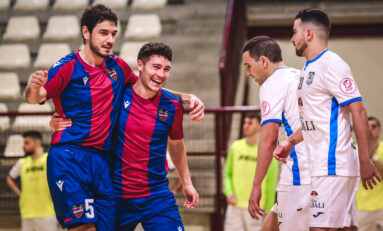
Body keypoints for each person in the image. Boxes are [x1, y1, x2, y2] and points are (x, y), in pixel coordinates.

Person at [24, 4, 204, 231]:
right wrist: (33, 89)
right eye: (103, 33)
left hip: (102, 163)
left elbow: (147, 84)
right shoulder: (67, 66)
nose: (110, 39)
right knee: (85, 228)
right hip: (71, 155)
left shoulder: (117, 67)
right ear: (86, 32)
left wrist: (184, 97)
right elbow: (35, 97)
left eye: (113, 34)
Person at [274, 8, 381, 230]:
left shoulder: (332, 64)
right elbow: (313, 123)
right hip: (324, 166)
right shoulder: (306, 70)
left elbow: (358, 110)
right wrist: (289, 142)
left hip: (333, 165)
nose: (291, 38)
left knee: (317, 228)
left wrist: (364, 159)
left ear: (309, 34)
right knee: (346, 228)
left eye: (295, 32)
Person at [108, 42, 198, 230]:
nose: (161, 74)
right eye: (156, 67)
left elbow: (176, 144)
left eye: (166, 69)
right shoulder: (118, 94)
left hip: (157, 195)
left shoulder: (172, 105)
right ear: (140, 66)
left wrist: (187, 182)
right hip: (117, 195)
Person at [243, 36, 311, 231]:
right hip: (326, 169)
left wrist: (256, 186)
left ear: (263, 61)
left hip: (301, 174)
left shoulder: (272, 84)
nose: (247, 73)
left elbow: (268, 139)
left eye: (248, 66)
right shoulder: (301, 75)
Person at [223, 112, 278, 231]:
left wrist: (268, 210)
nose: (245, 126)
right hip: (235, 205)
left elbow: (271, 181)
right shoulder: (235, 147)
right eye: (244, 122)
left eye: (250, 123)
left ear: (259, 126)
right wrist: (229, 192)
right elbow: (228, 174)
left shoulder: (267, 150)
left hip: (256, 208)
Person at [6, 131, 57, 231]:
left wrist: (56, 194)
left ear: (37, 143)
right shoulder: (22, 162)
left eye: (26, 143)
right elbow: (9, 178)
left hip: (47, 213)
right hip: (27, 213)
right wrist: (20, 194)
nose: (23, 146)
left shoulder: (48, 159)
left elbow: (61, 177)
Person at [356, 116, 383, 231]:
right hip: (362, 206)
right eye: (368, 126)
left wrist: (374, 157)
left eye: (374, 126)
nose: (371, 129)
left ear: (380, 130)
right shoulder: (356, 150)